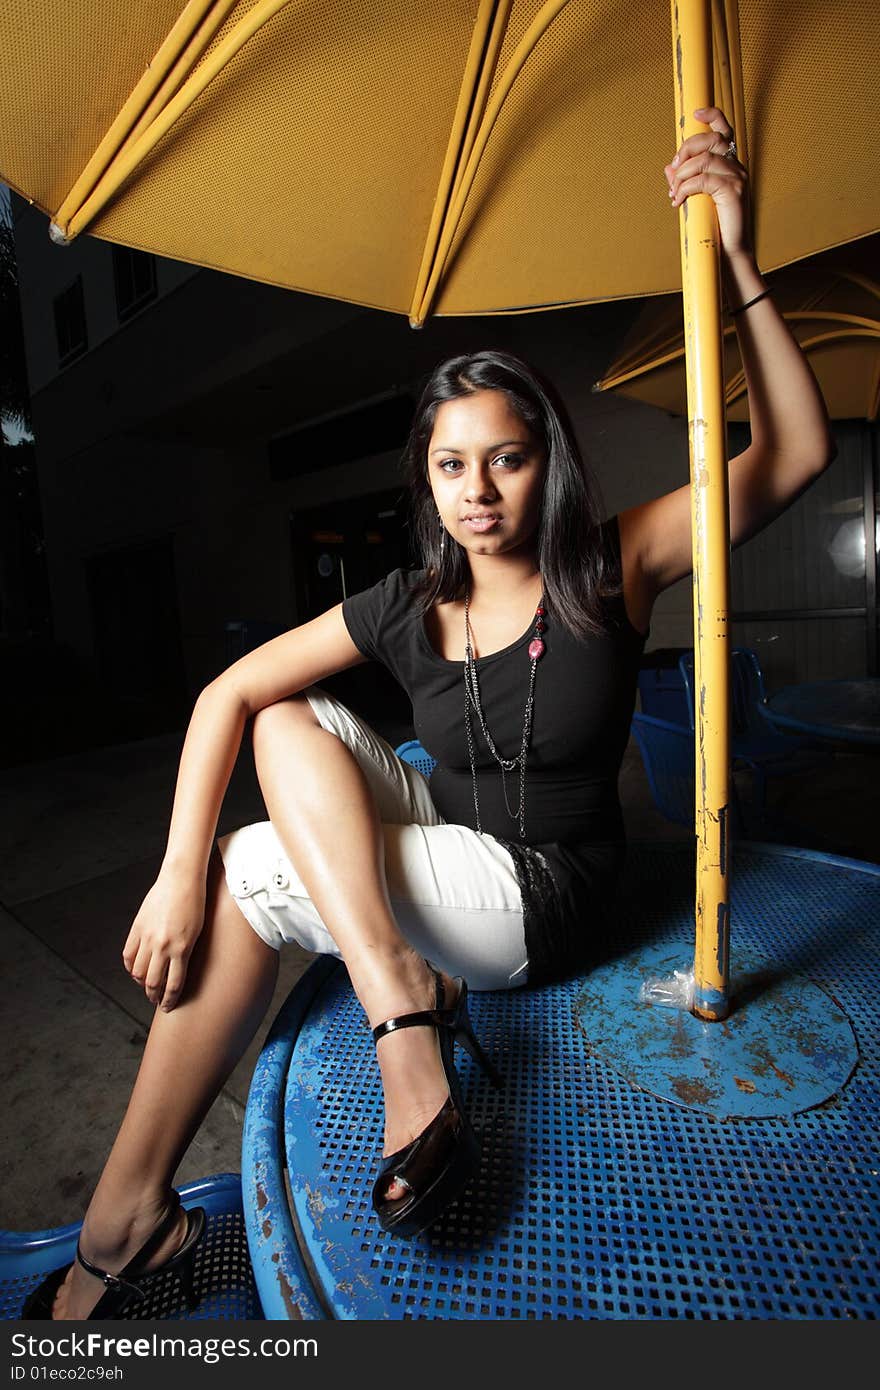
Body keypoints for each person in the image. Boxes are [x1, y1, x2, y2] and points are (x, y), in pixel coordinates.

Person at [23, 107, 834, 1320]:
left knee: (262, 866)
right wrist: (170, 869)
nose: (478, 492)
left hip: (542, 894)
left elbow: (796, 453)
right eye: (451, 466)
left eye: (504, 459)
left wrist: (732, 257)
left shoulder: (614, 563)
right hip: (440, 849)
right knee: (280, 721)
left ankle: (134, 1215)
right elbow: (227, 692)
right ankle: (393, 996)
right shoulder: (407, 599)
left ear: (543, 463)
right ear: (426, 480)